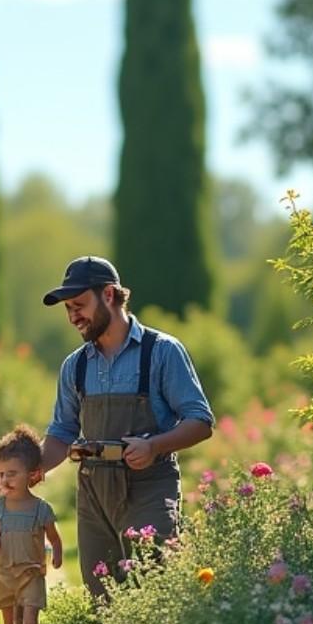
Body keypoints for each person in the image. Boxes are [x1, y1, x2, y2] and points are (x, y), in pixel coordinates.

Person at [39, 256, 214, 599]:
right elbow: (62, 433)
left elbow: (201, 422)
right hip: (93, 491)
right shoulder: (74, 366)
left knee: (153, 586)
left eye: (79, 305)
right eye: (67, 309)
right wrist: (28, 469)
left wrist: (154, 447)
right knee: (101, 596)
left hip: (149, 486)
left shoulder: (162, 352)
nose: (73, 315)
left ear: (108, 295)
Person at [0, 425, 64, 624]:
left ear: (32, 474)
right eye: (1, 474)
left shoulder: (41, 508)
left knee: (28, 623)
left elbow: (54, 537)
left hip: (30, 572)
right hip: (4, 573)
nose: (6, 479)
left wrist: (57, 554)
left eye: (12, 473)